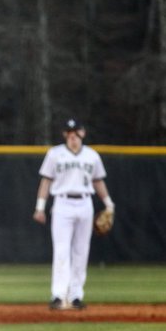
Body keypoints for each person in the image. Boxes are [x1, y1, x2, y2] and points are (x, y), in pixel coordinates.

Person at [32, 118, 115, 310]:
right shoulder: (55, 154)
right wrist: (40, 207)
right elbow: (46, 181)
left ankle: (76, 295)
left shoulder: (92, 156)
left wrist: (109, 204)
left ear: (83, 133)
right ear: (65, 135)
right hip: (62, 203)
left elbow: (98, 181)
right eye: (70, 133)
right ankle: (58, 296)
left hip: (85, 202)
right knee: (61, 250)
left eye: (76, 132)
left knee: (81, 251)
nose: (73, 136)